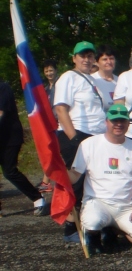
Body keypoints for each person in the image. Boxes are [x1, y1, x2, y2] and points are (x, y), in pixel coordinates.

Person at [68, 104, 132, 254]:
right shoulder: (88, 145)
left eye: (122, 121)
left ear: (127, 123)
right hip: (98, 202)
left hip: (125, 207)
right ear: (106, 121)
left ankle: (120, 229)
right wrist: (60, 175)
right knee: (92, 222)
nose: (118, 124)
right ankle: (95, 235)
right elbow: (75, 175)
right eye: (114, 120)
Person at [54, 41, 107, 242]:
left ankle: (89, 224)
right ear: (74, 58)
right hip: (76, 134)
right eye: (82, 56)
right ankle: (70, 227)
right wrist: (74, 138)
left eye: (90, 56)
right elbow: (61, 109)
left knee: (91, 182)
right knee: (75, 182)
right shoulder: (68, 77)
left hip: (95, 136)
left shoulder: (92, 80)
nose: (86, 59)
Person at [0, 78, 47, 215]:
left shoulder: (3, 88)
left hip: (10, 137)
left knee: (9, 172)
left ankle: (37, 197)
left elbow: (1, 113)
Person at [38, 59, 60, 192]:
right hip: (49, 125)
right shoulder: (46, 89)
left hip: (59, 123)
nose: (49, 73)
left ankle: (48, 181)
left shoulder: (60, 85)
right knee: (51, 152)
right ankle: (47, 181)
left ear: (56, 70)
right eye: (46, 71)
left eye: (51, 70)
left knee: (55, 152)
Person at [91, 45, 118, 109]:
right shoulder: (92, 80)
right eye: (105, 59)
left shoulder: (120, 80)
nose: (109, 62)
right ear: (96, 62)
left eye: (111, 58)